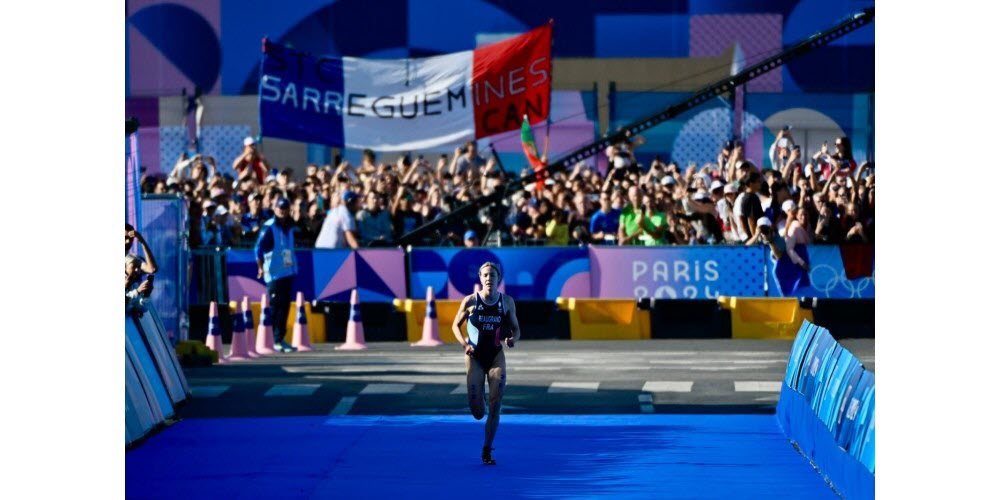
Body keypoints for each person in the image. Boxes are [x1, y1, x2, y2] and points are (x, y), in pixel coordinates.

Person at [451, 262, 522, 466]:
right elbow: (455, 325)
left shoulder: (507, 302)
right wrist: (464, 344)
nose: (489, 278)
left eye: (493, 275)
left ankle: (487, 448)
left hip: (495, 356)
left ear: (499, 278)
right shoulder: (470, 301)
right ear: (480, 279)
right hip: (474, 357)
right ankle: (478, 396)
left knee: (495, 404)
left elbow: (516, 329)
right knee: (478, 412)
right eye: (485, 275)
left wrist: (512, 340)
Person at [254, 197, 299, 353]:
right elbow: (258, 248)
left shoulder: (289, 227)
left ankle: (279, 338)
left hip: (287, 272)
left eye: (285, 208)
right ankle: (271, 339)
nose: (283, 211)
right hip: (274, 273)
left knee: (285, 307)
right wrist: (260, 267)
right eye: (280, 208)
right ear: (275, 209)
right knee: (275, 307)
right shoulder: (269, 227)